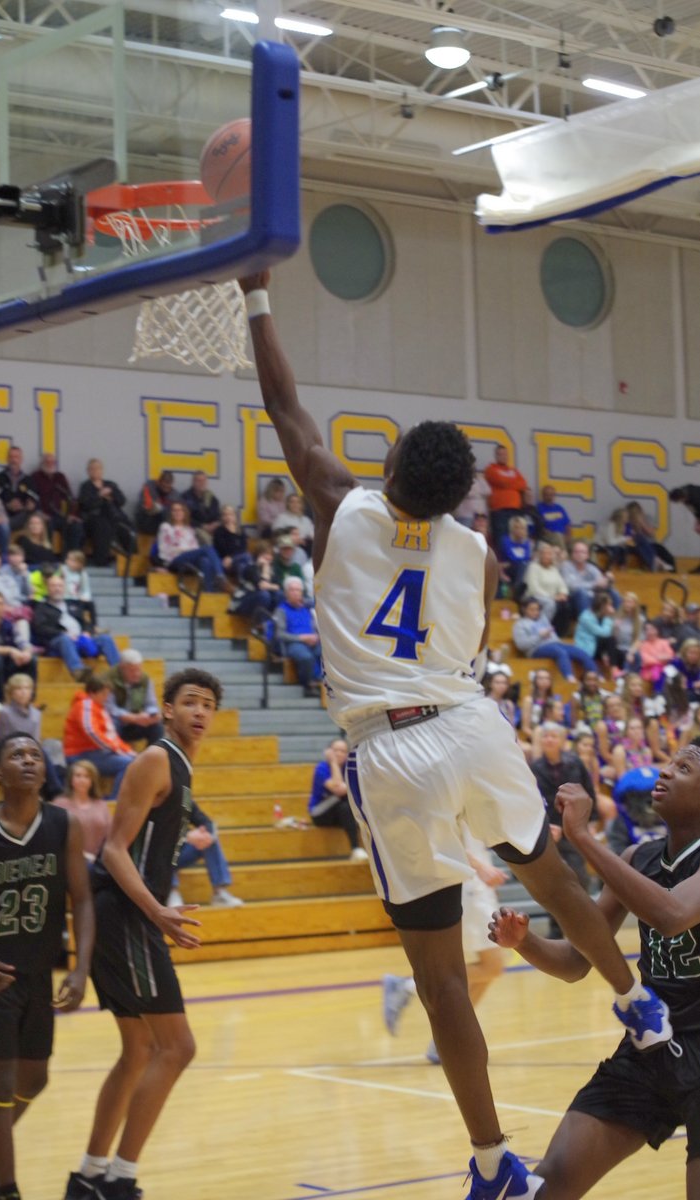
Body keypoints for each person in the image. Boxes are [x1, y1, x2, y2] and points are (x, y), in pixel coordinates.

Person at [240, 269, 670, 1199]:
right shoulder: (475, 553)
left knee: (438, 977)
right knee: (551, 875)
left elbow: (284, 408)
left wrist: (256, 296)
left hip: (391, 747)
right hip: (472, 723)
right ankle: (638, 1004)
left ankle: (489, 1163)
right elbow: (468, 633)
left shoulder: (342, 503)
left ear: (390, 471)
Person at [490, 748, 700, 1199]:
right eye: (670, 762)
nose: (665, 771)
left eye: (684, 768)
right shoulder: (639, 857)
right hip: (651, 1048)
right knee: (548, 1185)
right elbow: (575, 961)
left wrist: (582, 837)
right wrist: (523, 941)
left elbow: (672, 915)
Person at [62, 668, 219, 1200]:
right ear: (167, 709)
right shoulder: (156, 759)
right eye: (190, 701)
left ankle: (88, 1178)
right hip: (127, 913)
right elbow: (113, 850)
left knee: (139, 1051)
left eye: (208, 705)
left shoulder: (181, 768)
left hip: (127, 912)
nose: (200, 711)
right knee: (177, 1047)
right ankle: (120, 1181)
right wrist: (157, 912)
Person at [0, 732, 94, 1200]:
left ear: (45, 771)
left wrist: (79, 968)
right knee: (0, 1085)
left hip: (38, 971)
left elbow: (82, 900)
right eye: (16, 755)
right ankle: (5, 1190)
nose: (28, 760)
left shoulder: (63, 825)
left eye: (35, 755)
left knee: (35, 1078)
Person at [382, 826, 509, 1064]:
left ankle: (445, 1041)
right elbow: (444, 839)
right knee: (492, 967)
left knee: (487, 972)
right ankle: (406, 987)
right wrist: (480, 867)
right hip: (469, 884)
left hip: (478, 885)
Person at [530, 722, 599, 937]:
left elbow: (589, 792)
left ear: (561, 740)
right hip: (548, 831)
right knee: (551, 882)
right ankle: (556, 929)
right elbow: (532, 800)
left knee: (579, 877)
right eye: (545, 736)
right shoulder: (534, 767)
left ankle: (584, 924)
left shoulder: (575, 763)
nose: (549, 739)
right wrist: (544, 826)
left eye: (553, 736)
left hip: (574, 827)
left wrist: (592, 822)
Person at [32, 574, 120, 680]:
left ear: (64, 588)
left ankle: (119, 672)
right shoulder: (42, 607)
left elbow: (86, 623)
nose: (57, 589)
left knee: (105, 639)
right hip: (58, 642)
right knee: (64, 639)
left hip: (81, 640)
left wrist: (87, 632)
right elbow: (40, 628)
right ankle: (78, 672)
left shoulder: (73, 604)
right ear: (47, 588)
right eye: (53, 586)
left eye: (60, 586)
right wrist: (63, 633)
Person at [63, 675, 136, 799]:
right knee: (128, 764)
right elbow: (91, 731)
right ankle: (115, 801)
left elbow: (112, 736)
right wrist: (115, 749)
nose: (106, 697)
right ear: (92, 693)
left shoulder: (99, 708)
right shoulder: (85, 705)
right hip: (80, 754)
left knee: (134, 760)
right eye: (103, 694)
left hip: (94, 752)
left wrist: (130, 752)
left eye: (107, 694)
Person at [167, 798, 244, 908]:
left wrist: (206, 835)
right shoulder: (155, 801)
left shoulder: (184, 798)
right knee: (162, 846)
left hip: (181, 853)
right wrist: (187, 836)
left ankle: (219, 892)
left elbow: (206, 822)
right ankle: (171, 891)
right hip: (158, 856)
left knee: (209, 840)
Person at [0, 673, 62, 800]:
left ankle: (50, 792)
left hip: (31, 751)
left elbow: (36, 739)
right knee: (39, 754)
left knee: (52, 750)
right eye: (19, 689)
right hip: (12, 752)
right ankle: (55, 791)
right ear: (11, 692)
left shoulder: (36, 714)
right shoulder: (5, 713)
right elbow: (2, 741)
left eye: (26, 688)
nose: (23, 692)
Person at [512, 596, 597, 683]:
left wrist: (534, 597)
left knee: (581, 652)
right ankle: (570, 678)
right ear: (524, 609)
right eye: (532, 609)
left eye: (537, 609)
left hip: (556, 643)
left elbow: (550, 604)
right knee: (560, 652)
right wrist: (539, 636)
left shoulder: (543, 618)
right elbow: (521, 645)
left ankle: (597, 677)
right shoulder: (519, 624)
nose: (535, 612)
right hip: (537, 649)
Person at [308, 738, 367, 860]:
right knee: (345, 803)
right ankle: (356, 848)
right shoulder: (321, 768)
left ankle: (361, 849)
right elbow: (338, 788)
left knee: (348, 806)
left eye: (343, 751)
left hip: (339, 813)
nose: (339, 754)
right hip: (320, 813)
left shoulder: (349, 768)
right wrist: (334, 763)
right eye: (336, 750)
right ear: (328, 752)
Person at [153, 499, 229, 593]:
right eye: (174, 510)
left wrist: (189, 551)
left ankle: (209, 592)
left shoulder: (189, 529)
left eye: (180, 510)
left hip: (189, 559)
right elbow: (164, 549)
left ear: (184, 513)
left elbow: (195, 548)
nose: (177, 512)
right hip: (174, 559)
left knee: (205, 560)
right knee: (207, 548)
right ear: (170, 513)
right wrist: (184, 550)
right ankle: (220, 576)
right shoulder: (165, 527)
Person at [0, 592, 37, 696]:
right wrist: (10, 650)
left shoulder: (8, 624)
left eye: (0, 604)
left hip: (8, 661)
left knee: (31, 660)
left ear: (4, 607)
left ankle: (29, 699)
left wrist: (26, 652)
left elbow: (22, 642)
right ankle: (0, 700)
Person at [53, 759, 111, 862]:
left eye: (86, 776)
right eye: (78, 775)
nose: (82, 780)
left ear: (92, 781)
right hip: (67, 860)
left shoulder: (102, 805)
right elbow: (54, 837)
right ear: (71, 779)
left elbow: (110, 837)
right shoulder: (59, 804)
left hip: (97, 861)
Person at [104, 649, 164, 747]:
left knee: (158, 726)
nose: (136, 674)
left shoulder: (145, 679)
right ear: (122, 668)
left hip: (137, 721)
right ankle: (115, 753)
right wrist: (131, 717)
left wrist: (150, 714)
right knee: (112, 723)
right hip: (118, 721)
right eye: (132, 670)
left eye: (138, 669)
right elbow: (109, 708)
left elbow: (151, 704)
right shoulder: (109, 680)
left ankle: (151, 755)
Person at [274, 577, 322, 696]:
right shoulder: (281, 610)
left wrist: (316, 637)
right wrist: (302, 638)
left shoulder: (307, 609)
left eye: (298, 590)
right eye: (292, 590)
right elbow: (279, 634)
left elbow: (316, 627)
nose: (296, 593)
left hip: (312, 641)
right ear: (286, 593)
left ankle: (324, 683)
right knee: (306, 657)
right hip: (293, 643)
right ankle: (307, 685)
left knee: (327, 652)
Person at [29, 452, 84, 553]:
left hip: (60, 515)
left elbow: (70, 498)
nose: (50, 464)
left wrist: (72, 514)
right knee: (48, 525)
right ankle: (48, 557)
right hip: (44, 516)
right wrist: (39, 514)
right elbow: (31, 499)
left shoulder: (60, 477)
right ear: (42, 463)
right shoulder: (35, 477)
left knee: (76, 526)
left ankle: (70, 558)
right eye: (47, 462)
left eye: (52, 462)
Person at [78, 459, 128, 568]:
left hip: (113, 516)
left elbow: (122, 501)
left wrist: (112, 495)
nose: (95, 471)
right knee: (103, 525)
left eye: (98, 468)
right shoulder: (85, 486)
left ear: (102, 470)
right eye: (92, 469)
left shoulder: (110, 485)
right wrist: (99, 495)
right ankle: (101, 561)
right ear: (88, 471)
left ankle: (131, 561)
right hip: (94, 517)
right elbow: (85, 505)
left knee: (127, 526)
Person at [484, 443, 527, 548]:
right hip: (499, 511)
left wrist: (508, 484)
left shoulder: (514, 471)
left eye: (505, 454)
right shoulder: (491, 469)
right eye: (500, 454)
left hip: (515, 509)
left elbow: (523, 484)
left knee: (515, 538)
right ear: (496, 456)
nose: (503, 456)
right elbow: (502, 482)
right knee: (501, 538)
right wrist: (514, 484)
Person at [0, 446, 40, 532]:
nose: (14, 460)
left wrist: (30, 505)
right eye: (11, 457)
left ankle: (8, 524)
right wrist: (7, 505)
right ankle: (7, 524)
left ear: (21, 460)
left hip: (22, 515)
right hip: (3, 513)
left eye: (16, 457)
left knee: (30, 516)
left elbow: (36, 498)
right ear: (7, 459)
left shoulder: (28, 480)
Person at [134, 469, 179, 536]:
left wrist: (162, 509)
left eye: (168, 485)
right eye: (164, 485)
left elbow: (176, 512)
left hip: (165, 528)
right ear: (158, 482)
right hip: (145, 525)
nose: (166, 487)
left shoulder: (175, 495)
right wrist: (149, 506)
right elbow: (141, 505)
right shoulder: (149, 487)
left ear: (172, 484)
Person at [181, 470, 221, 540]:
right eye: (199, 481)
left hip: (212, 529)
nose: (202, 483)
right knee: (204, 537)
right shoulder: (185, 497)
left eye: (204, 481)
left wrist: (215, 524)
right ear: (193, 482)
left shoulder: (212, 498)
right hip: (194, 529)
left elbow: (218, 516)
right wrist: (202, 526)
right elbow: (184, 517)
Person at [536, 484, 572, 549]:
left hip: (564, 537)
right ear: (543, 495)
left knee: (584, 541)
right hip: (550, 537)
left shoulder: (560, 508)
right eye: (547, 494)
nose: (549, 497)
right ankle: (564, 554)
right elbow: (540, 527)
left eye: (551, 494)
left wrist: (567, 537)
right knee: (558, 536)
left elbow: (568, 525)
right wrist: (552, 534)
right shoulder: (539, 508)